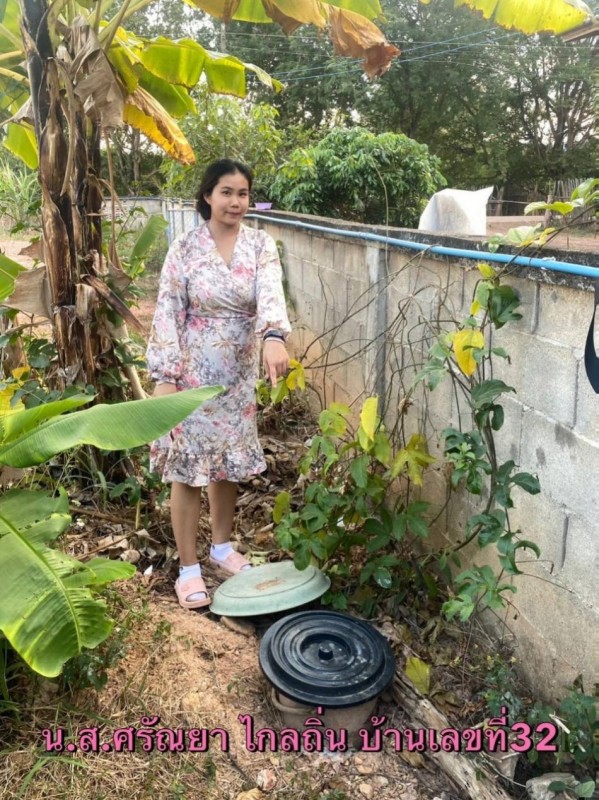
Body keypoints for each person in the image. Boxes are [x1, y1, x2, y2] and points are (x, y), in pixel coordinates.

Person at [146, 159, 291, 610]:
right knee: (187, 468)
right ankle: (189, 568)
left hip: (237, 376)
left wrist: (273, 336)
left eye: (243, 193)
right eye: (226, 192)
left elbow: (271, 292)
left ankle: (222, 546)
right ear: (208, 195)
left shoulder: (260, 245)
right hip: (191, 376)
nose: (235, 202)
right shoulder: (185, 248)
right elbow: (168, 309)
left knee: (227, 463)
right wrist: (165, 376)